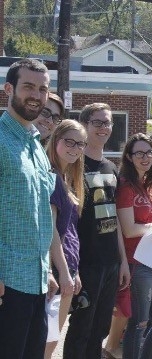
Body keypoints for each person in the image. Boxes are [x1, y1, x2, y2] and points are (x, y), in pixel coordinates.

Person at [0, 58, 71, 359]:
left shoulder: (37, 147)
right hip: (7, 281)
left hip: (37, 279)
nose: (36, 95)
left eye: (42, 89)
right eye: (28, 86)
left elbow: (43, 215)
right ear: (8, 89)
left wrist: (50, 268)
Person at [64, 103, 130, 358]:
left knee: (100, 327)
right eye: (98, 122)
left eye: (108, 122)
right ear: (85, 125)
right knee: (81, 326)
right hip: (85, 261)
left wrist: (122, 262)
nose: (104, 128)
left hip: (110, 261)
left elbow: (114, 221)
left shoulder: (111, 168)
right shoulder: (73, 166)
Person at [116, 133, 152, 359]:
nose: (145, 157)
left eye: (149, 152)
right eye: (139, 153)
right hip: (134, 261)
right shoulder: (125, 186)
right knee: (139, 324)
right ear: (129, 157)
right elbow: (129, 229)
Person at [44, 120, 87, 358]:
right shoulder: (50, 177)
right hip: (55, 272)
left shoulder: (67, 177)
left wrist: (75, 270)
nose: (75, 148)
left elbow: (70, 232)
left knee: (51, 341)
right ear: (56, 140)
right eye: (69, 142)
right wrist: (63, 271)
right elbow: (51, 232)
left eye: (80, 144)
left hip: (68, 268)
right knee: (46, 344)